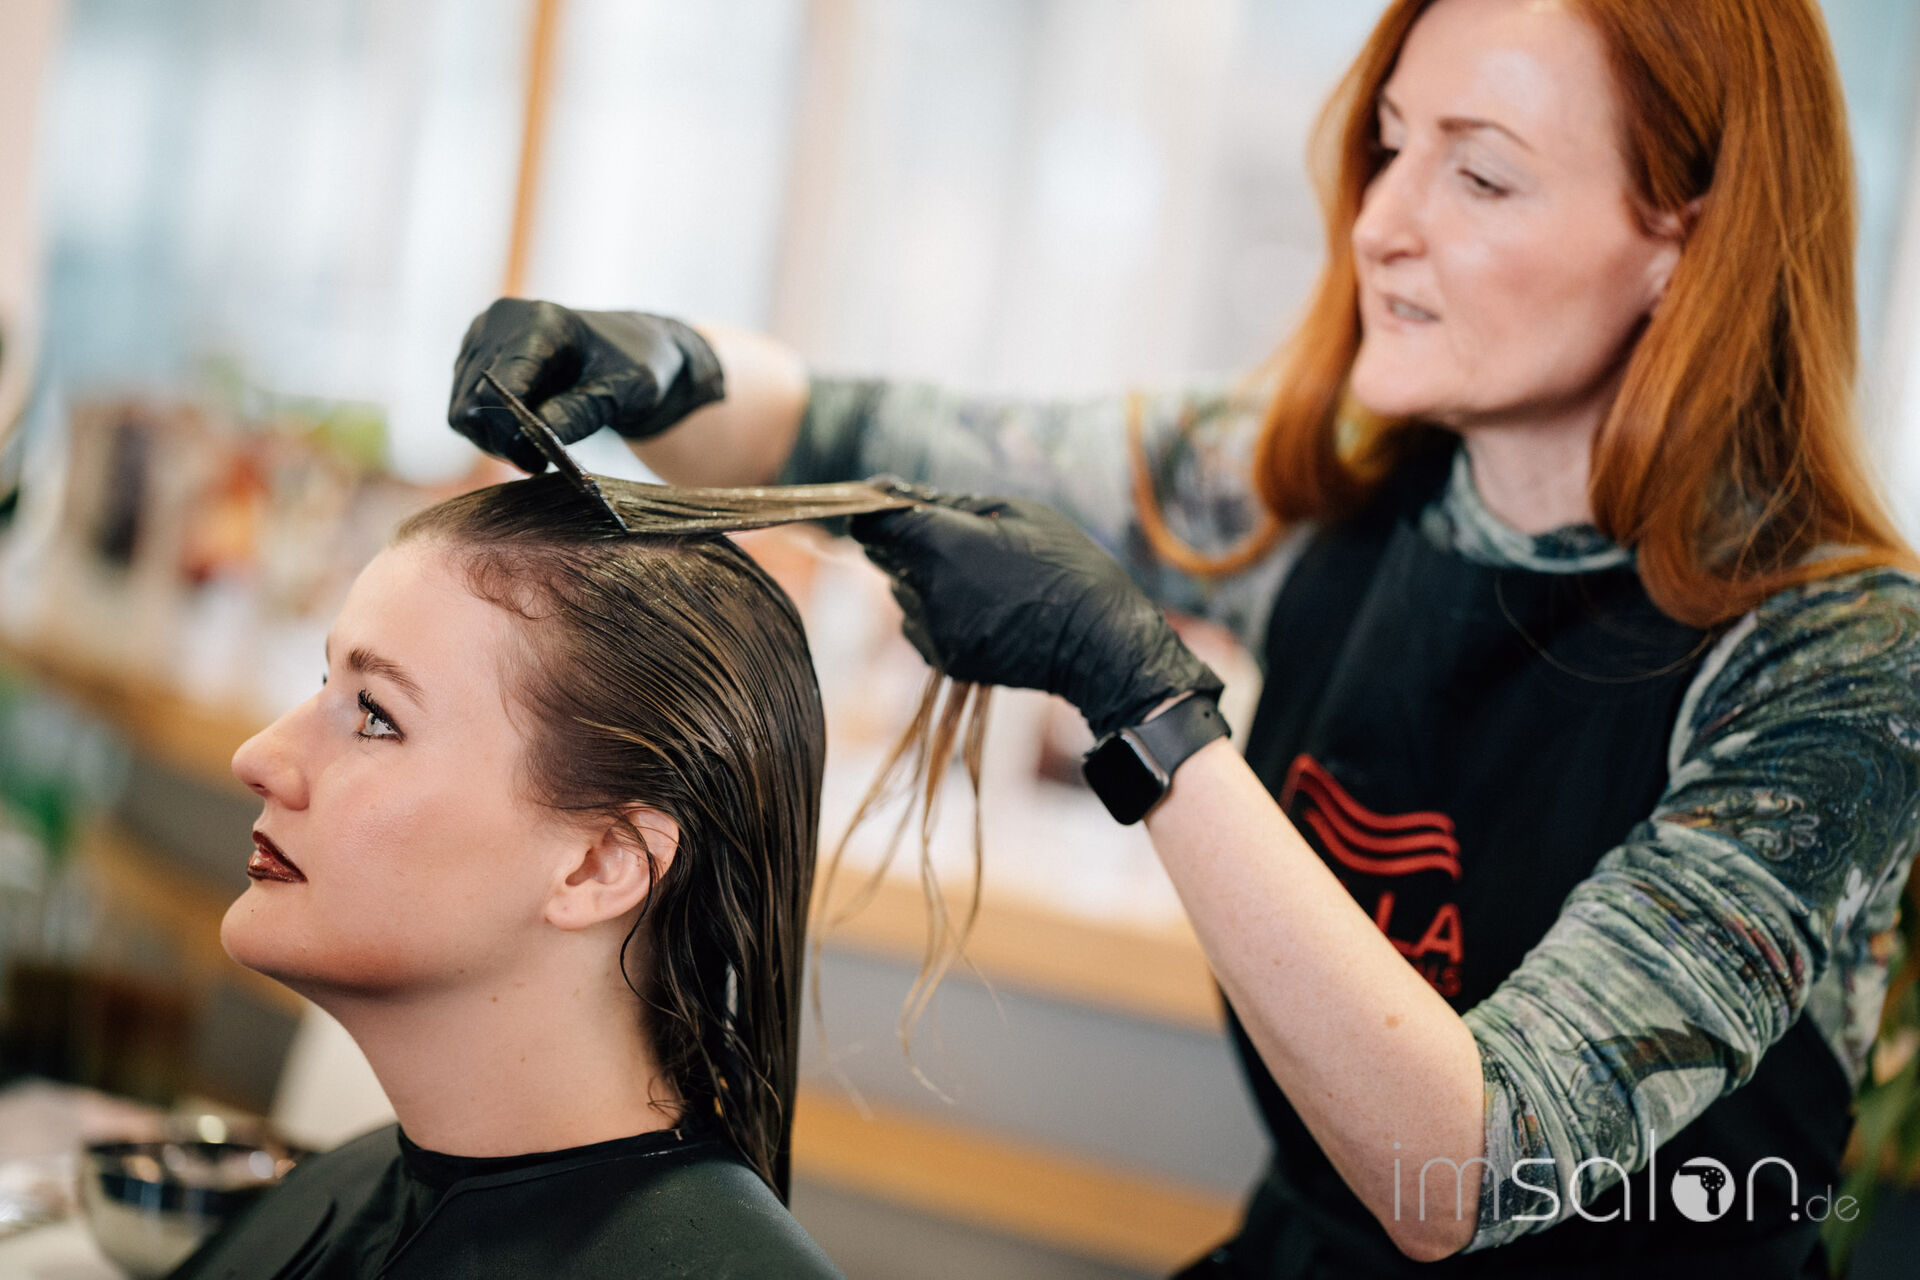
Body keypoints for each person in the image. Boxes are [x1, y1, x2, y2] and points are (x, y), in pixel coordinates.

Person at [444, 0, 1920, 1274]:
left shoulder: (1840, 660)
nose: (1381, 221)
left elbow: (1470, 1168)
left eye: (1480, 174)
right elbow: (862, 434)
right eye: (1392, 145)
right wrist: (666, 364)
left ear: (1688, 238)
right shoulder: (1321, 485)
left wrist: (1140, 702)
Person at [171, 476, 847, 1278]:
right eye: (326, 687)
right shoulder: (336, 1188)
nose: (259, 757)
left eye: (375, 715)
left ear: (601, 864)